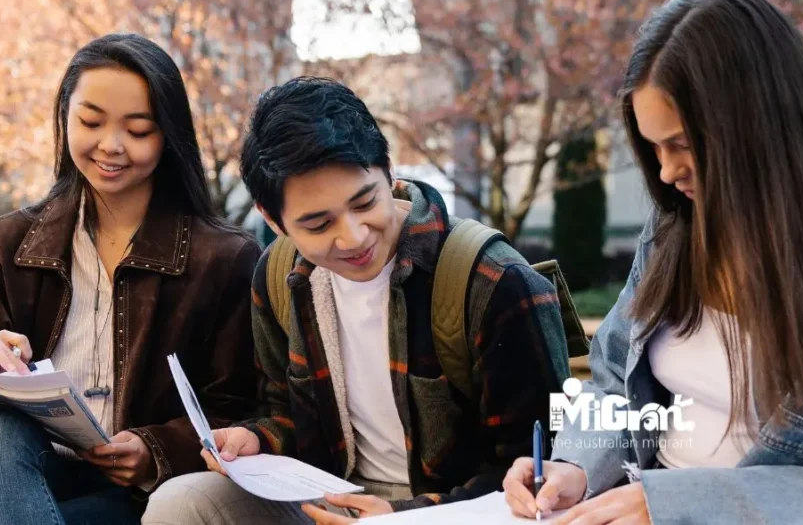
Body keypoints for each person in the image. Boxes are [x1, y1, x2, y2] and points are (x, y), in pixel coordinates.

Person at [501, 0, 803, 524]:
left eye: (682, 145)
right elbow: (615, 379)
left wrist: (672, 506)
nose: (664, 173)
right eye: (653, 148)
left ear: (756, 124)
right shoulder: (675, 225)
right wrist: (576, 466)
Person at [140, 77, 571, 525]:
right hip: (330, 499)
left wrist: (402, 515)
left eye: (365, 202)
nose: (353, 236)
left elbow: (541, 470)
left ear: (388, 171)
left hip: (451, 511)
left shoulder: (493, 280)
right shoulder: (279, 277)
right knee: (182, 503)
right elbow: (283, 410)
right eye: (318, 224)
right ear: (273, 219)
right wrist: (258, 439)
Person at [0, 33, 261, 525]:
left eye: (139, 129)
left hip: (142, 496)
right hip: (25, 471)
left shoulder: (224, 258)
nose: (111, 146)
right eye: (90, 121)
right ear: (65, 117)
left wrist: (153, 449)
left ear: (169, 135)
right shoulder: (12, 241)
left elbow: (240, 409)